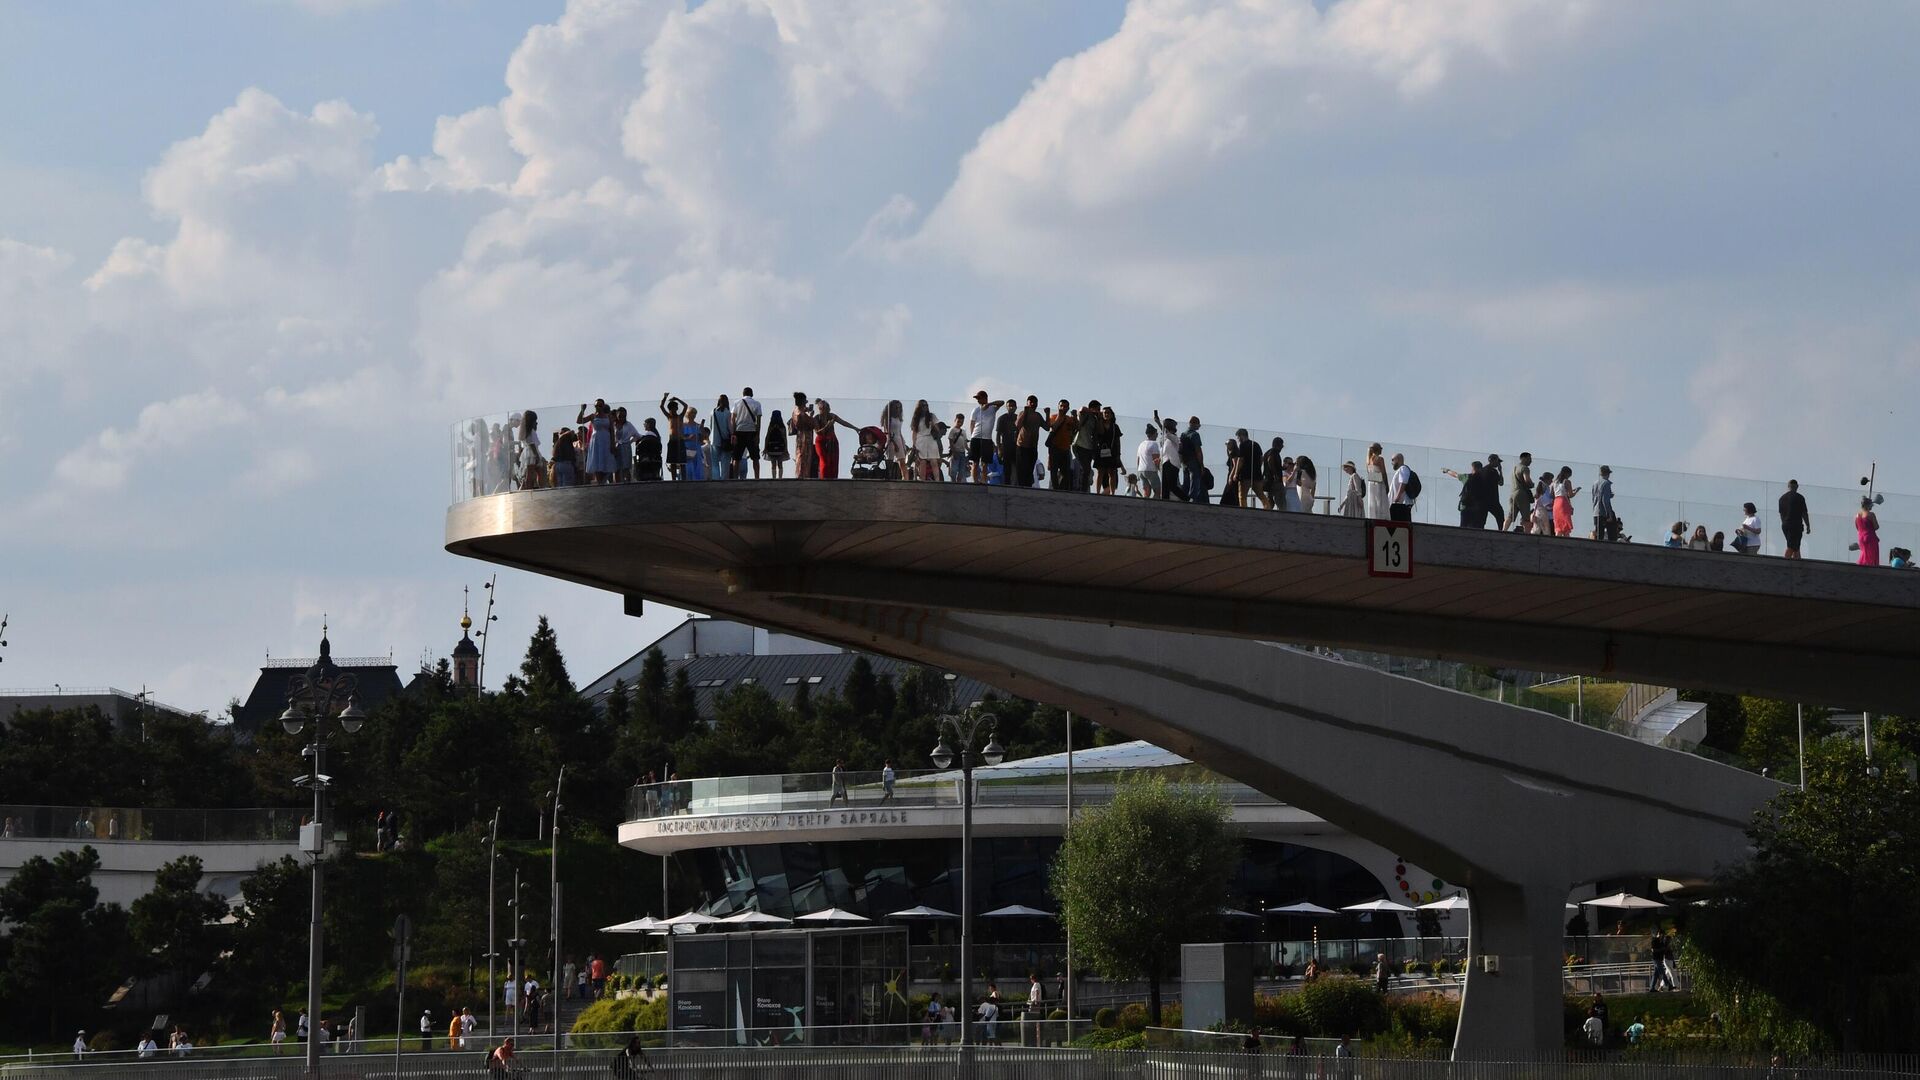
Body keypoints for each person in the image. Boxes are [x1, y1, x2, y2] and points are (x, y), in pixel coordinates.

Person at [577, 400, 617, 485]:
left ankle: (605, 480)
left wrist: (613, 443)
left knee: (606, 459)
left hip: (606, 439)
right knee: (597, 460)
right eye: (596, 406)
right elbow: (579, 421)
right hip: (596, 440)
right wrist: (582, 410)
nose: (598, 407)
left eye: (600, 405)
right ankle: (600, 482)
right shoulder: (593, 416)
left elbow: (612, 431)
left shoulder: (608, 416)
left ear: (603, 406)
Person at [732, 388, 763, 478]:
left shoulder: (737, 403)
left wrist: (733, 433)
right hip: (751, 431)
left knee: (736, 457)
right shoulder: (757, 404)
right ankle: (757, 477)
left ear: (743, 394)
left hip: (739, 431)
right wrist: (758, 434)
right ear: (752, 394)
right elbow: (758, 420)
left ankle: (735, 477)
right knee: (755, 458)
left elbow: (733, 418)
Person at [1778, 479, 1810, 558]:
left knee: (1795, 546)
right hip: (1796, 525)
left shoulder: (1782, 498)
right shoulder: (1800, 498)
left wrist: (1784, 523)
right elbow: (1804, 513)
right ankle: (1785, 562)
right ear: (1797, 487)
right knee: (1792, 546)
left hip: (1785, 525)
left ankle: (1797, 564)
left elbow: (1781, 513)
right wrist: (1808, 525)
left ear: (1788, 486)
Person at [1508, 452, 1535, 533]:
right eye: (1529, 459)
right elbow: (1527, 480)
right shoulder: (1525, 468)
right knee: (1526, 516)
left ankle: (1504, 530)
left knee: (1511, 516)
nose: (1531, 461)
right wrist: (1532, 484)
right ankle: (1527, 533)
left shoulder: (1514, 468)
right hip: (1522, 494)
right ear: (1523, 458)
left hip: (1513, 493)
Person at [790, 394, 816, 479]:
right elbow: (812, 424)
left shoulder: (795, 411)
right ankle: (803, 475)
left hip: (799, 436)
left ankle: (799, 474)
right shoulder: (802, 414)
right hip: (806, 437)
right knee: (805, 457)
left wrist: (806, 410)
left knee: (799, 455)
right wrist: (811, 415)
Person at [1136, 428, 1164, 499]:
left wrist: (1138, 472)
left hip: (1141, 470)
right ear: (1154, 434)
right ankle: (1155, 506)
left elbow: (1138, 459)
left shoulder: (1141, 444)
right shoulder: (1154, 444)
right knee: (1158, 491)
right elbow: (1156, 460)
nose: (1157, 435)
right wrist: (1161, 471)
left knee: (1146, 492)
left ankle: (1144, 507)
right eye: (1156, 433)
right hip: (1151, 470)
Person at [1591, 465, 1617, 541]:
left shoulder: (1595, 483)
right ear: (1608, 474)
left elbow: (1594, 498)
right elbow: (1605, 500)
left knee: (1599, 536)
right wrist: (1609, 514)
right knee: (1612, 534)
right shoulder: (1606, 483)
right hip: (1603, 513)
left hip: (1596, 512)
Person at [1388, 453, 1416, 522]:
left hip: (1401, 505)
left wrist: (1396, 498)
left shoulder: (1403, 469)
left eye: (1393, 460)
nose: (1392, 463)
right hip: (1399, 505)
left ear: (1398, 460)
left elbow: (1403, 483)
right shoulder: (1401, 470)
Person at [763, 410, 790, 479]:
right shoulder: (782, 427)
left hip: (771, 447)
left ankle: (774, 478)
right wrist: (786, 449)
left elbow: (767, 437)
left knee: (773, 464)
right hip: (780, 447)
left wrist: (765, 448)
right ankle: (780, 478)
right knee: (780, 463)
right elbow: (785, 438)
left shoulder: (771, 426)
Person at [1855, 497, 1880, 566]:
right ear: (1867, 505)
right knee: (1871, 557)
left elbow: (1857, 527)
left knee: (1864, 554)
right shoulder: (1871, 514)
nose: (1871, 506)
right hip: (1870, 537)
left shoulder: (1857, 515)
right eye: (1871, 505)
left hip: (1861, 537)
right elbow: (1876, 527)